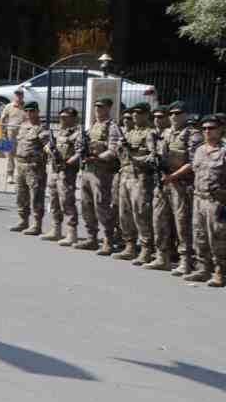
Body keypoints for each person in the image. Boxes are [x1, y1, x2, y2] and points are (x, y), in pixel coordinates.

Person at [173, 113, 226, 286]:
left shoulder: (224, 150)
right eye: (204, 129)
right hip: (199, 198)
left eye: (211, 128)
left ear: (220, 129)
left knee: (217, 237)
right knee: (200, 235)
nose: (207, 131)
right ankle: (203, 268)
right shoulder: (200, 150)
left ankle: (220, 272)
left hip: (217, 201)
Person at [77, 97, 123, 254]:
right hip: (88, 170)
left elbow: (114, 150)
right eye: (96, 107)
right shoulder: (93, 126)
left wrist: (98, 157)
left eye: (101, 107)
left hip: (102, 172)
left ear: (108, 108)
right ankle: (91, 238)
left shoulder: (112, 127)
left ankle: (108, 241)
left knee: (101, 206)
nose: (97, 110)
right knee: (86, 205)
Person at [116, 102, 160, 264]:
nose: (135, 115)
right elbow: (120, 156)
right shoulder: (129, 132)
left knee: (140, 213)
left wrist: (136, 159)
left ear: (147, 115)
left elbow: (153, 156)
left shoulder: (150, 133)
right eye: (134, 113)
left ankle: (146, 248)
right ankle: (129, 245)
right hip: (125, 175)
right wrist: (120, 148)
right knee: (124, 212)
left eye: (139, 113)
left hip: (140, 177)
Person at [156, 103, 197, 276]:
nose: (174, 116)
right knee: (159, 218)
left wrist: (173, 176)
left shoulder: (193, 135)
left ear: (186, 115)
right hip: (164, 182)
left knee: (182, 223)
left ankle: (185, 261)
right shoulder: (165, 133)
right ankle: (162, 256)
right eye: (171, 113)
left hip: (181, 184)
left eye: (178, 113)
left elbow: (193, 162)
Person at [47, 106, 85, 246]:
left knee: (66, 201)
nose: (61, 119)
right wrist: (49, 150)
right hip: (55, 169)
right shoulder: (60, 132)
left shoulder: (77, 134)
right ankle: (56, 229)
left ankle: (71, 233)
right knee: (54, 199)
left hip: (67, 171)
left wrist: (68, 163)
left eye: (65, 117)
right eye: (61, 117)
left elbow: (79, 152)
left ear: (73, 118)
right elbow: (53, 148)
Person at [10, 101, 48, 235]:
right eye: (27, 111)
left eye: (32, 111)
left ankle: (37, 224)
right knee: (21, 194)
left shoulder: (41, 128)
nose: (29, 113)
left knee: (36, 196)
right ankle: (23, 220)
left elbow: (47, 146)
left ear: (37, 112)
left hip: (34, 167)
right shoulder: (23, 126)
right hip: (20, 165)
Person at [0, 88, 28, 186]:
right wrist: (3, 132)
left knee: (22, 155)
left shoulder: (26, 107)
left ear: (23, 96)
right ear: (14, 96)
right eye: (17, 95)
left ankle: (22, 175)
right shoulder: (9, 106)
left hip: (23, 134)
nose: (18, 97)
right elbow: (3, 118)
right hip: (11, 133)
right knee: (10, 154)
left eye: (20, 95)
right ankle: (10, 174)